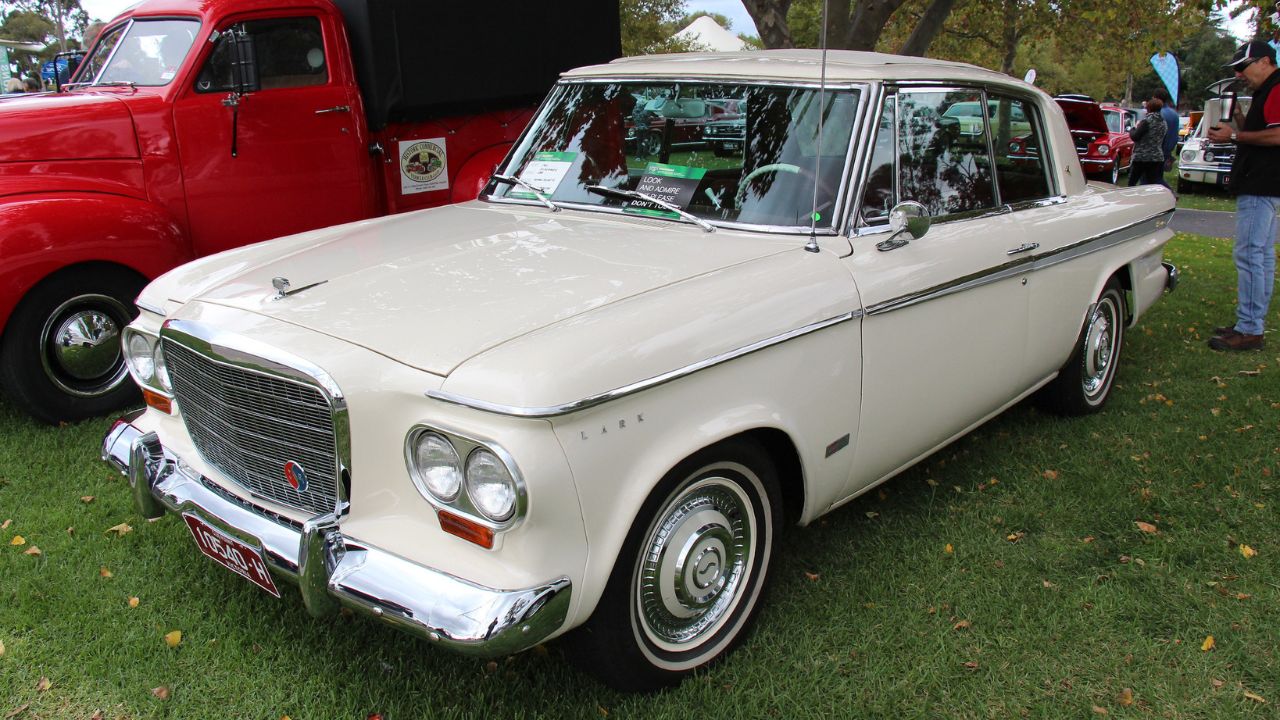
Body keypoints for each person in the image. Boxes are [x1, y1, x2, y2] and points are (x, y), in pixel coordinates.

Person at [1205, 40, 1280, 351]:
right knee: (1261, 255)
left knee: (1250, 254)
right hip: (1266, 183)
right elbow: (1260, 134)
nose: (1239, 74)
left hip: (1262, 184)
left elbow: (1277, 134)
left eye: (1243, 67)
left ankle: (1250, 329)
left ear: (1264, 61)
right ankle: (1251, 323)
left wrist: (1234, 135)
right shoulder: (1267, 90)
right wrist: (1236, 117)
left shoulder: (1276, 87)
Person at [1127, 97, 1166, 186]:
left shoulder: (1146, 121)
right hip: (1157, 157)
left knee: (1132, 182)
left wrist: (1133, 128)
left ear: (1148, 108)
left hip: (1142, 157)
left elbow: (1135, 137)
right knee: (1153, 183)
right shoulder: (1163, 122)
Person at [1153, 88, 1181, 177]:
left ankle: (1168, 191)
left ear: (1156, 98)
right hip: (1168, 150)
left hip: (1156, 152)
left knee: (1149, 178)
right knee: (1157, 177)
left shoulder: (1158, 114)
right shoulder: (1175, 114)